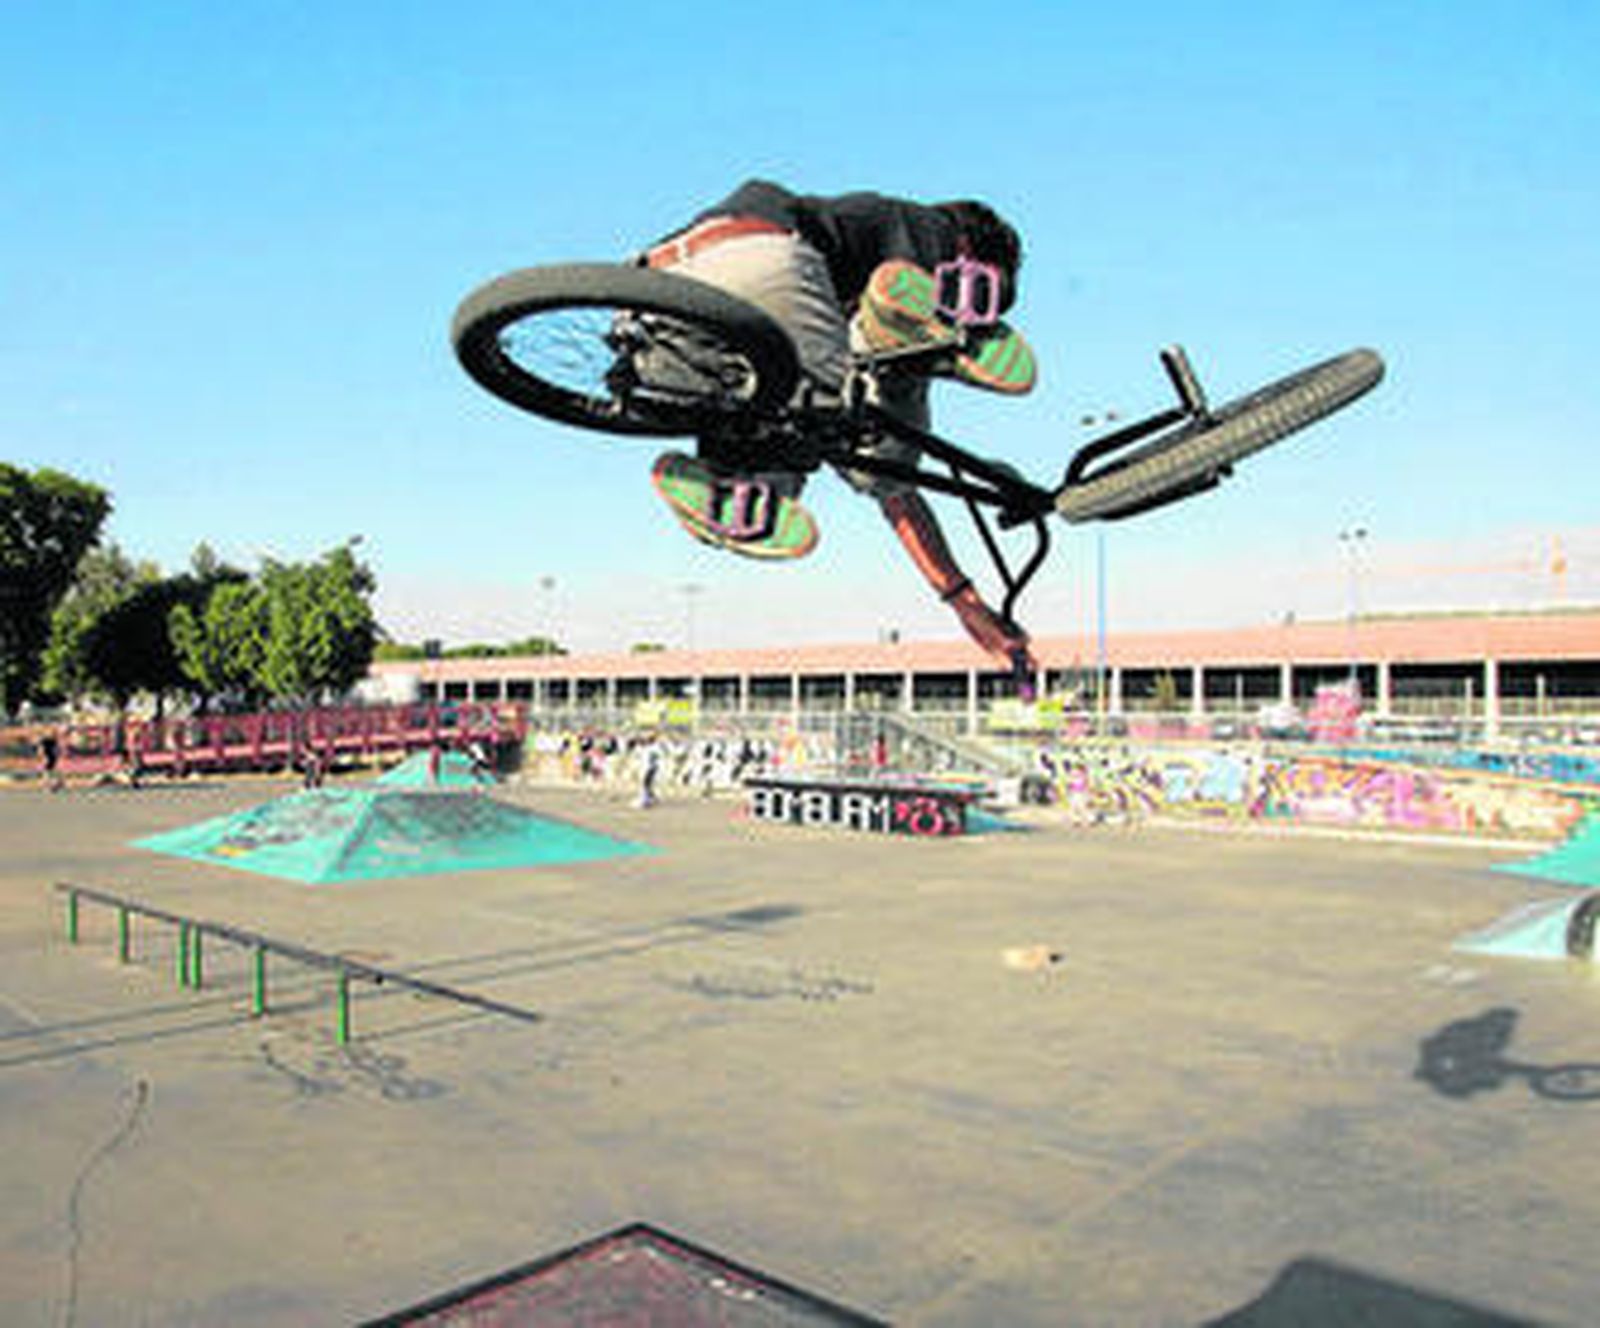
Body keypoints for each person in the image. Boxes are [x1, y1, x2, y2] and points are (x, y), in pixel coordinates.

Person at [638, 179, 1038, 672]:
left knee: (757, 422)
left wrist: (963, 602)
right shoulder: (927, 230)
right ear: (969, 252)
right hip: (767, 262)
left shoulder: (836, 236)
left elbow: (891, 494)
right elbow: (894, 491)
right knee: (837, 423)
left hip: (654, 298)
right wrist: (965, 601)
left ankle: (725, 490)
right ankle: (901, 337)